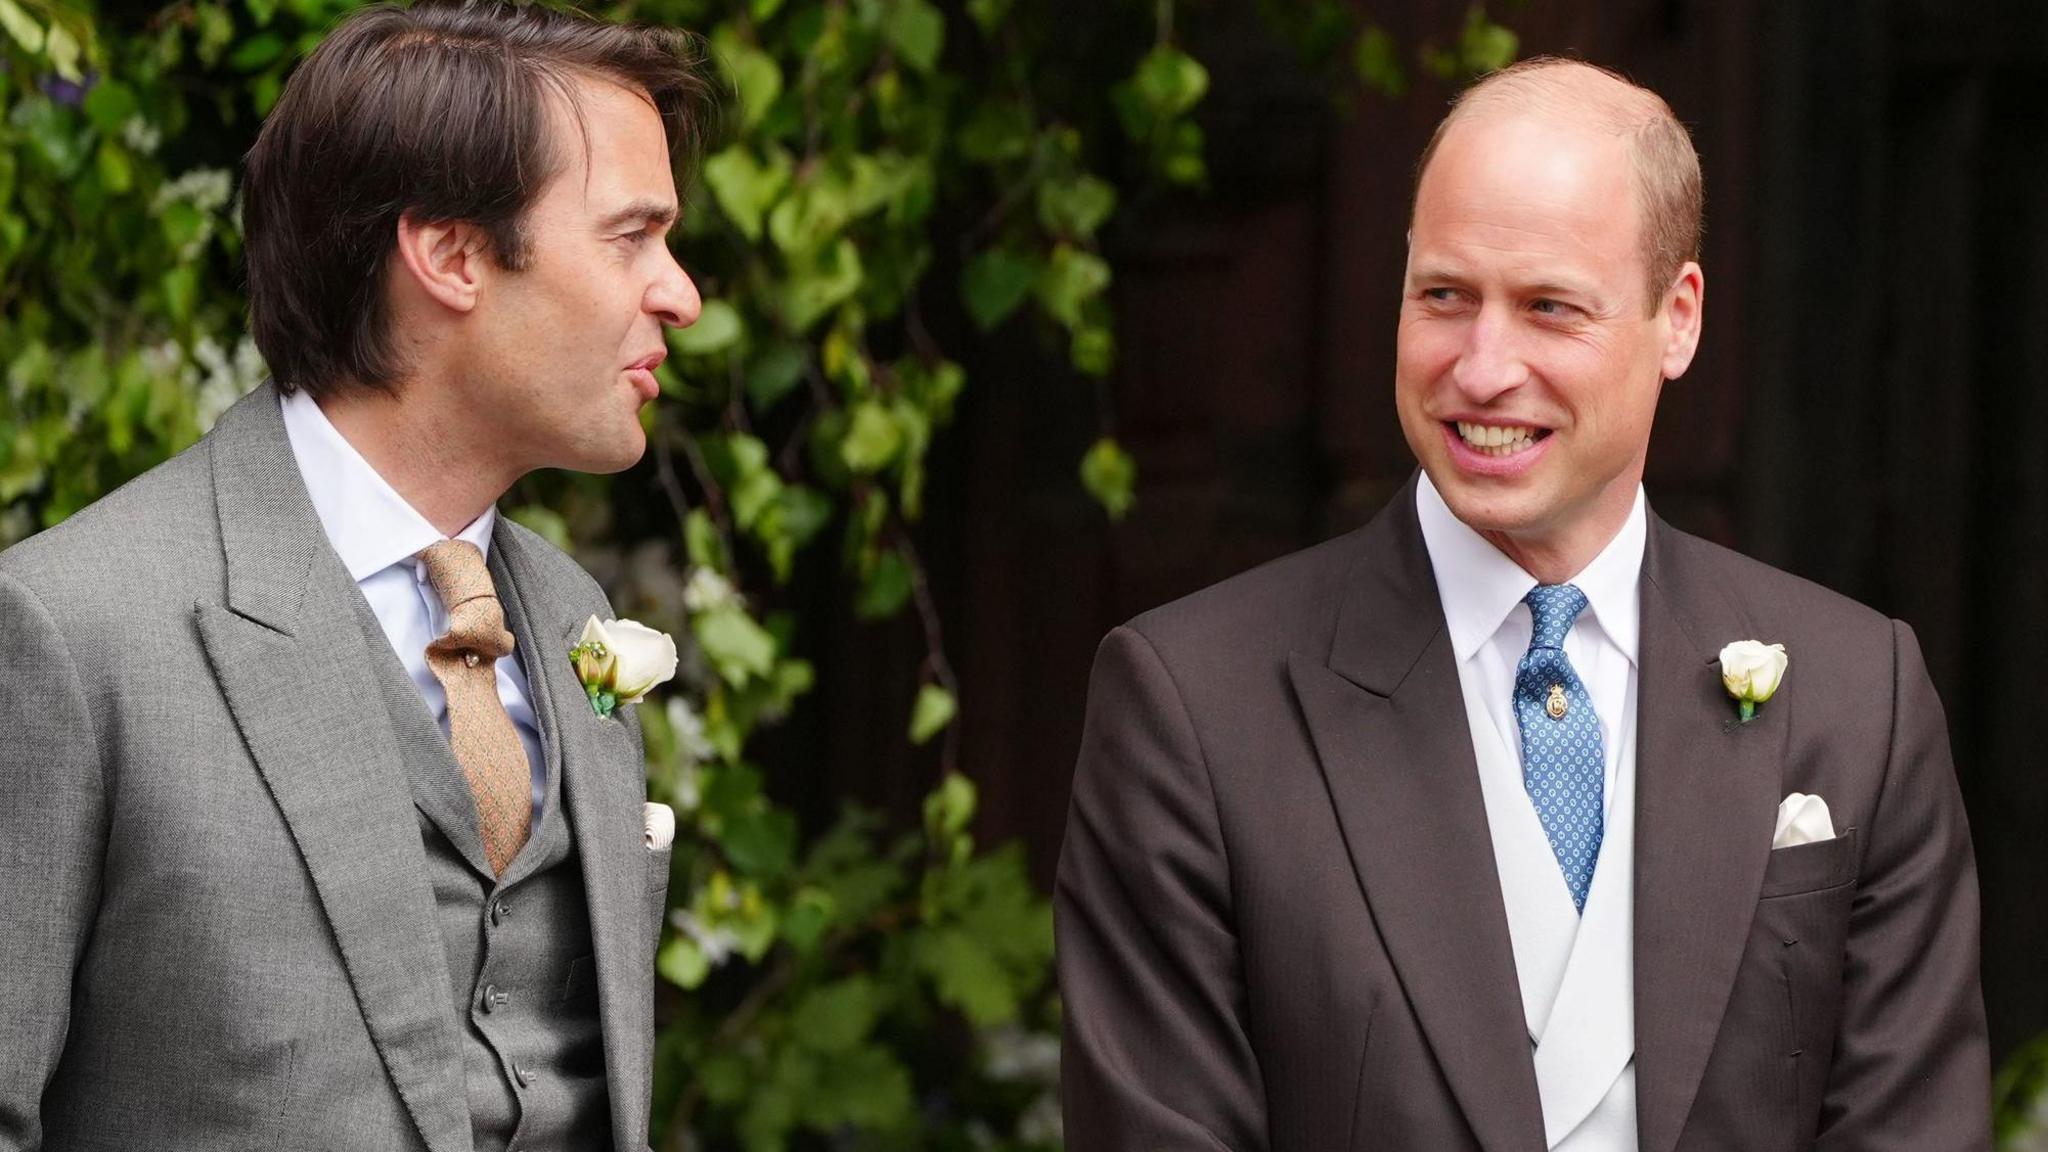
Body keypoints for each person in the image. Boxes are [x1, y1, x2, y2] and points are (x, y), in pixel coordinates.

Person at [1056, 57, 1990, 1151]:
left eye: (1548, 308)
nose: (1482, 367)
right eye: (1443, 296)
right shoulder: (1193, 708)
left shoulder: (1854, 699)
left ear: (1675, 320)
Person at [0, 4, 709, 1148]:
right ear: (451, 254)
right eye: (631, 237)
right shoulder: (72, 630)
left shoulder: (575, 614)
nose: (680, 294)